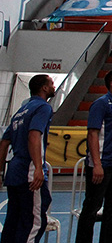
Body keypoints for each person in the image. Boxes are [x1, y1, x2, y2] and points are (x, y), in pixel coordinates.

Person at [76, 68, 112, 243]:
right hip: (103, 164)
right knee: (92, 207)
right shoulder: (101, 104)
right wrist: (97, 164)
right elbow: (93, 134)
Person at [0, 74, 55, 243]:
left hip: (14, 172)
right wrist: (38, 168)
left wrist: (0, 172)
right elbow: (34, 135)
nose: (54, 87)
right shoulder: (43, 107)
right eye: (51, 84)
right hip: (28, 171)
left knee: (13, 220)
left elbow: (4, 143)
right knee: (34, 223)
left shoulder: (20, 111)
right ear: (44, 88)